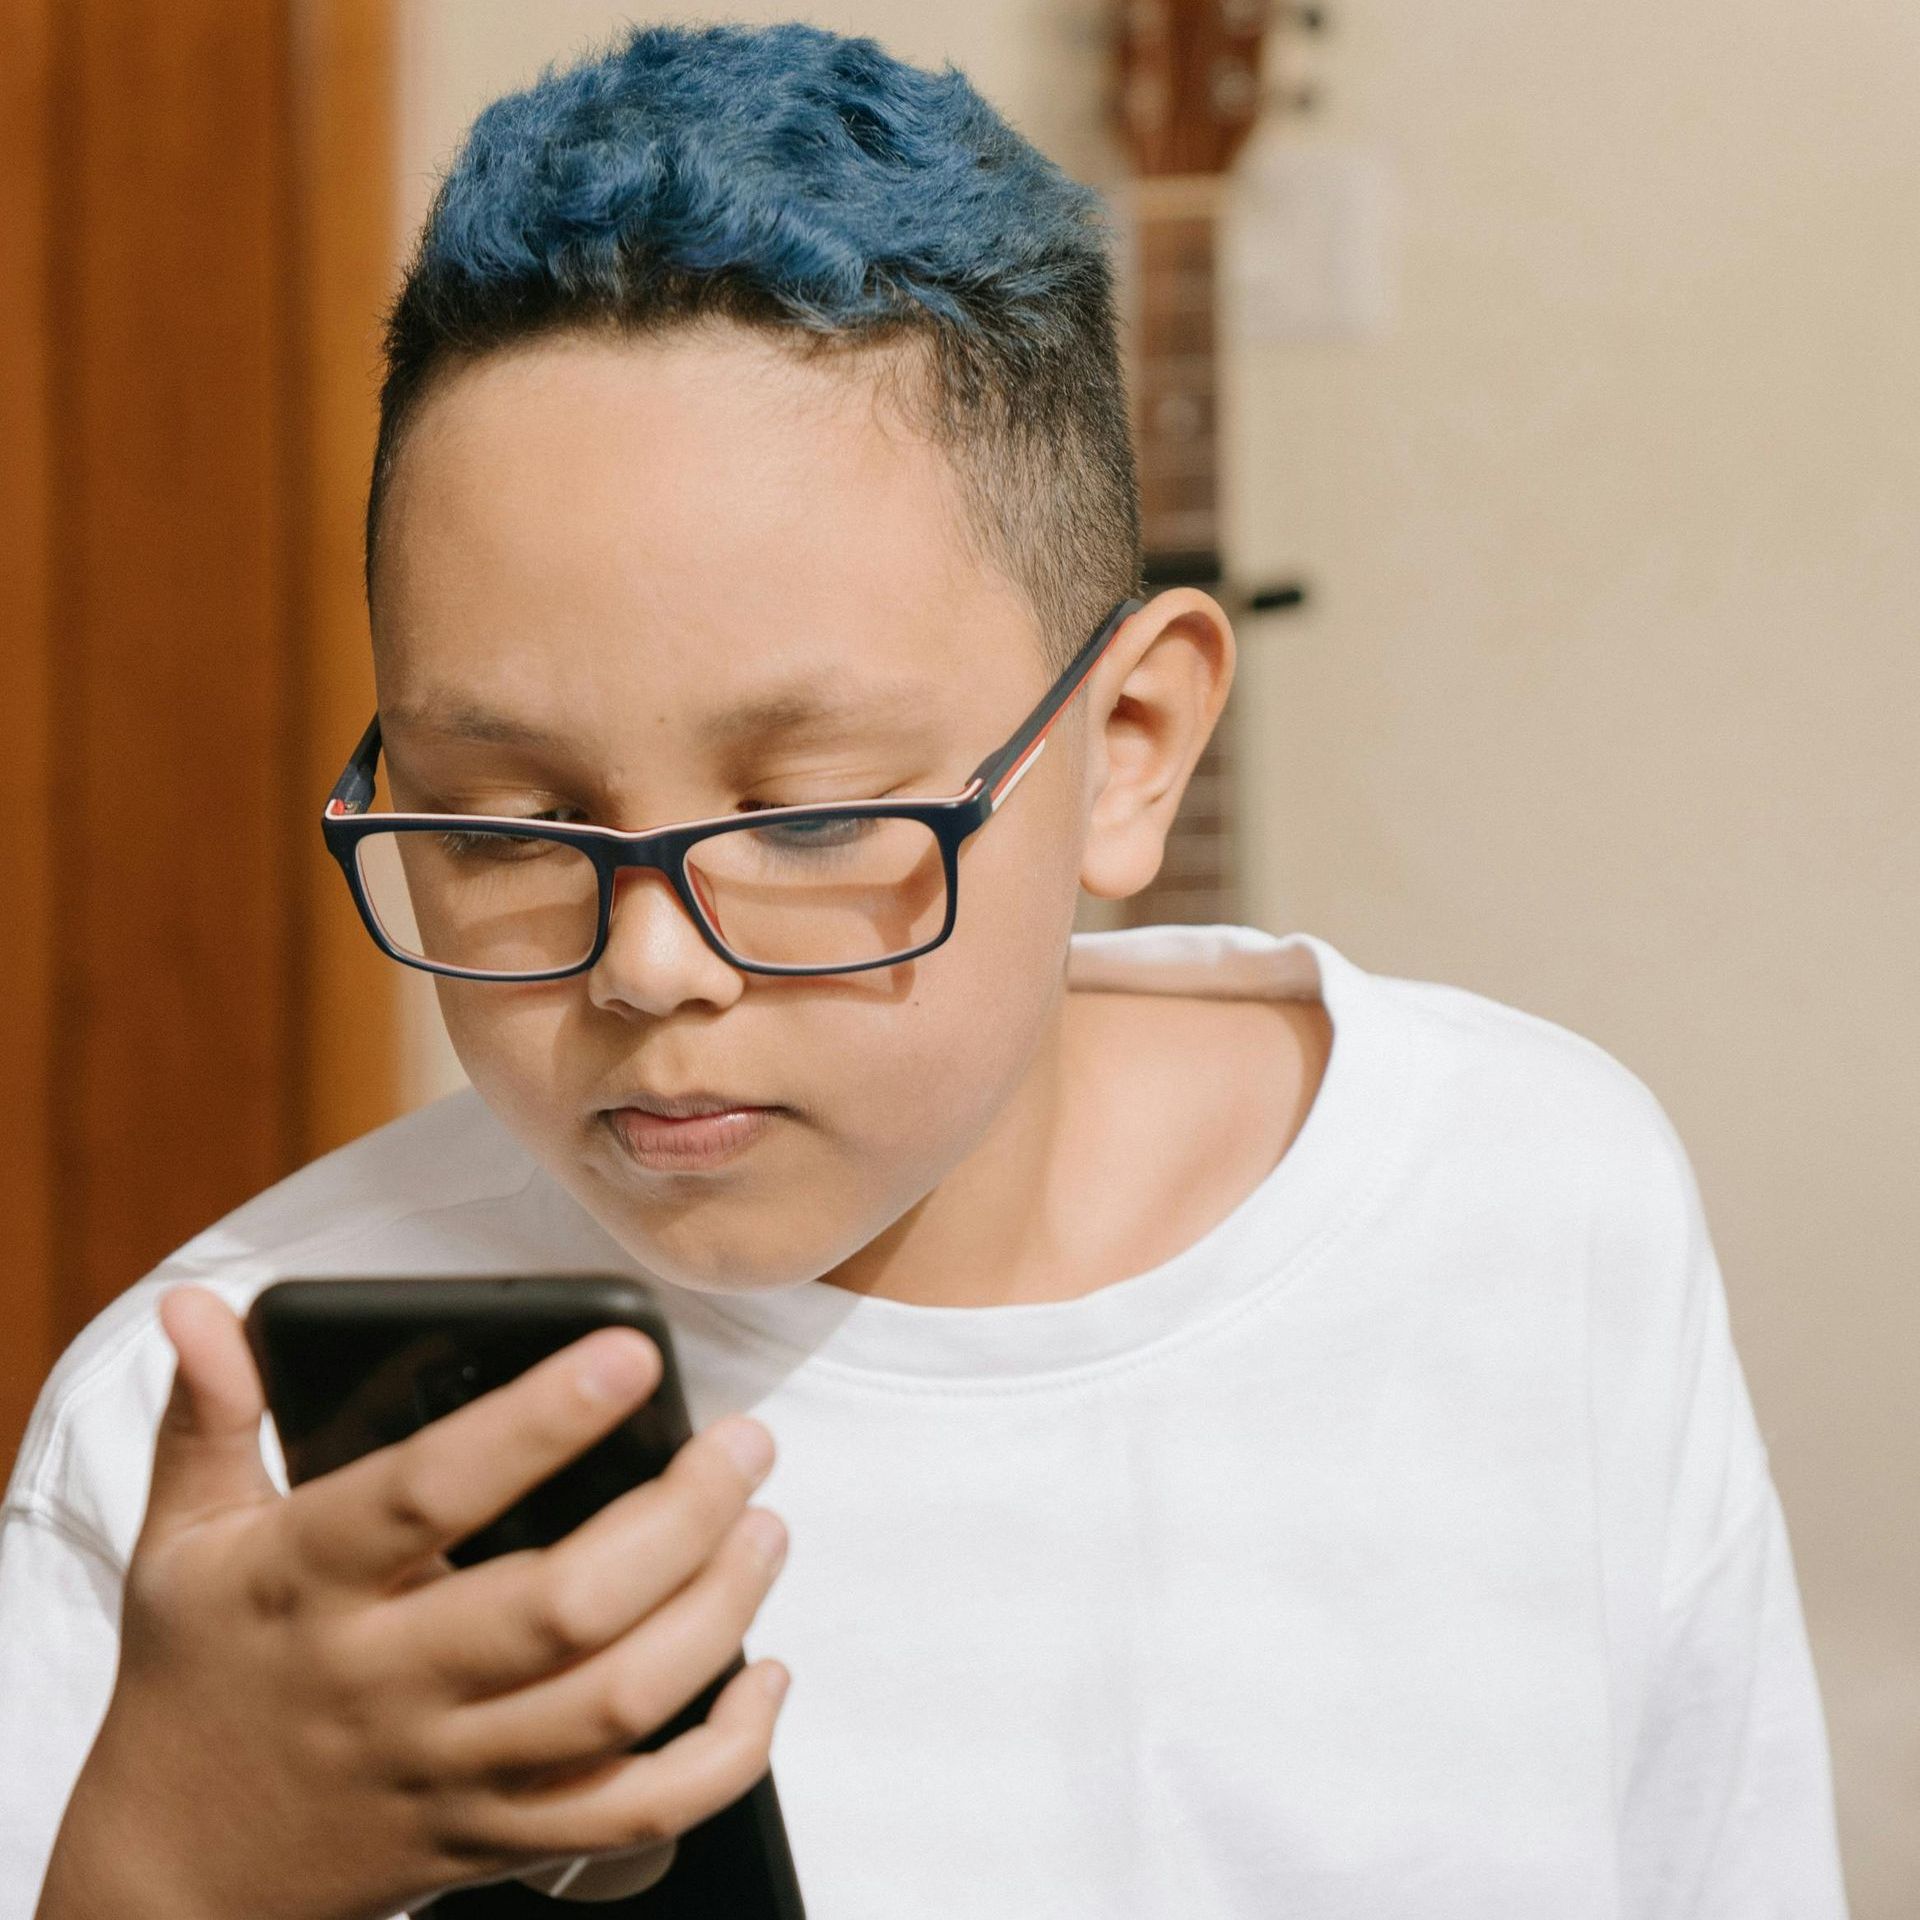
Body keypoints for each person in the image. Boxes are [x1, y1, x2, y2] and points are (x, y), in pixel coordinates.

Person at [1, 21, 1848, 1920]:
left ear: (1129, 748)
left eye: (806, 819)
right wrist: (167, 1869)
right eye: (501, 827)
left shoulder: (1530, 1204)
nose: (647, 969)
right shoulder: (201, 1450)